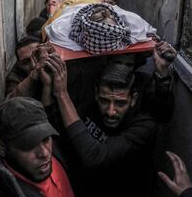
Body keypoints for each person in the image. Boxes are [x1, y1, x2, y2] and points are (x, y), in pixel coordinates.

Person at [46, 55, 159, 197]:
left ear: (133, 99)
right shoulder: (90, 108)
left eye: (120, 103)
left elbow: (94, 157)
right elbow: (60, 132)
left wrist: (62, 94)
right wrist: (47, 86)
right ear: (96, 94)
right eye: (104, 101)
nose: (111, 112)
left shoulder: (144, 127)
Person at [0, 97, 74, 197]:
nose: (45, 153)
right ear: (1, 147)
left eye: (45, 139)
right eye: (29, 145)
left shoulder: (56, 152)